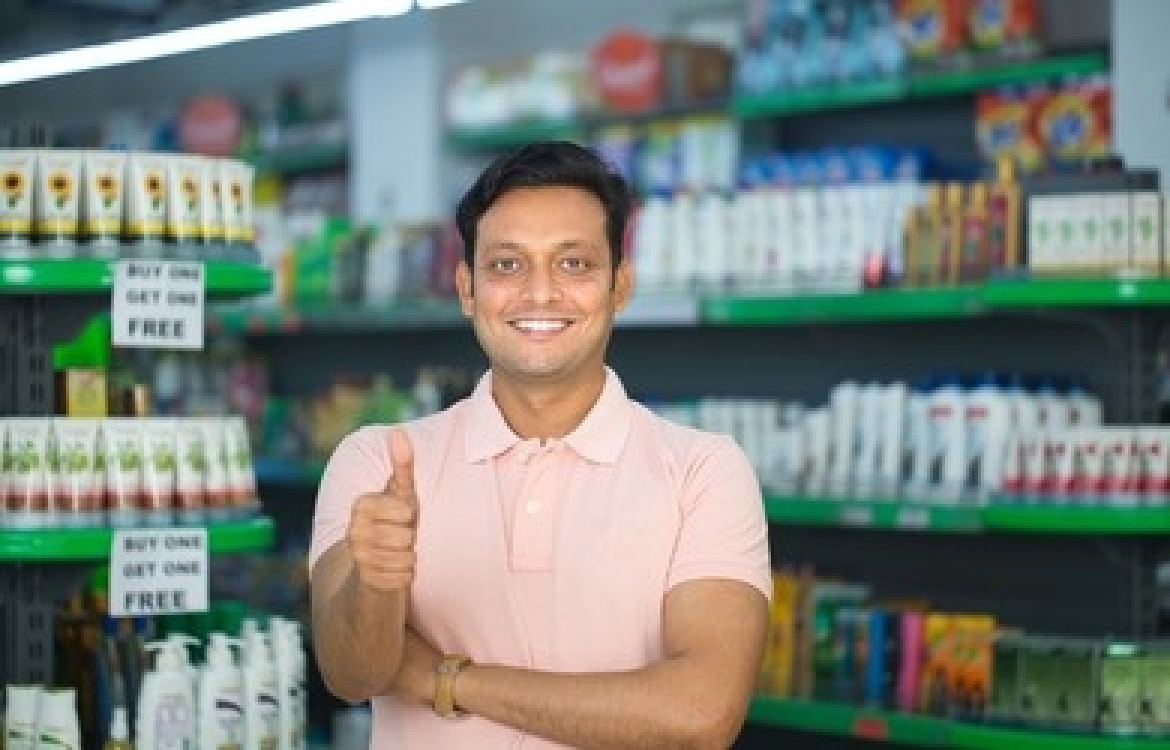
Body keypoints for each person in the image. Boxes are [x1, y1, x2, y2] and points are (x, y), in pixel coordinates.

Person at [308, 140, 772, 749]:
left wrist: (443, 678)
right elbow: (349, 675)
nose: (540, 292)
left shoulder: (704, 472)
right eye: (506, 265)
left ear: (620, 286)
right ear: (467, 288)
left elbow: (701, 715)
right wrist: (375, 583)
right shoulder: (376, 461)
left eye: (574, 264)